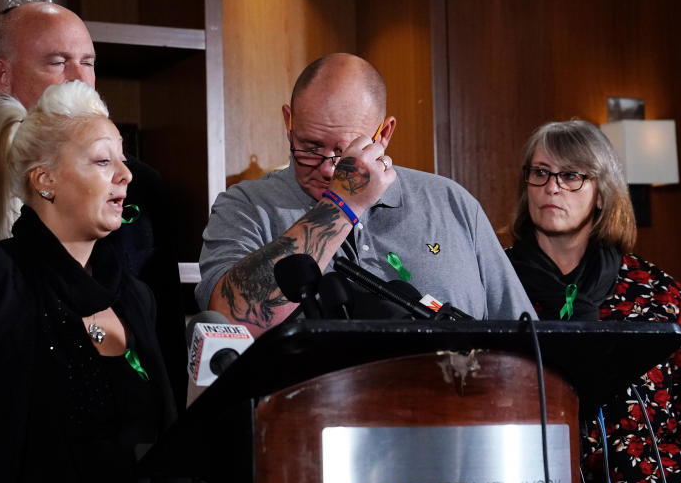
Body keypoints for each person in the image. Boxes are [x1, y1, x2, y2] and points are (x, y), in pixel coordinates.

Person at [0, 81, 197, 483]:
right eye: (102, 160)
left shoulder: (138, 298)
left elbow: (167, 463)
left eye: (123, 158)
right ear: (45, 180)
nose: (126, 174)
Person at [0, 2, 186, 404]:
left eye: (88, 62)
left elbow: (164, 330)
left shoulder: (143, 187)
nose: (78, 77)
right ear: (2, 75)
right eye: (58, 62)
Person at [196, 53, 534, 331]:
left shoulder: (452, 204)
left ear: (383, 134)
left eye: (346, 153)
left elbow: (526, 343)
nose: (329, 169)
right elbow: (230, 321)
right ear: (289, 122)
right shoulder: (245, 207)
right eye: (310, 146)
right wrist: (341, 205)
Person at [505, 119, 681, 483]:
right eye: (541, 173)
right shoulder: (493, 283)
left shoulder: (656, 294)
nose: (552, 187)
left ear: (601, 193)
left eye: (571, 176)